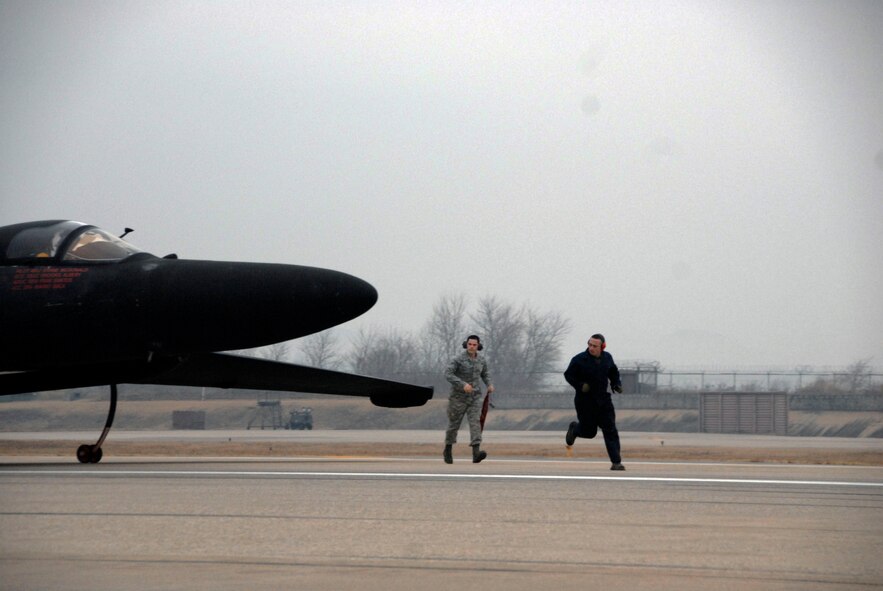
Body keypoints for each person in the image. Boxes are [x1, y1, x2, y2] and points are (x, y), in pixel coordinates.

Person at [563, 333, 625, 470]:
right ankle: (574, 429)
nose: (591, 348)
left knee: (610, 430)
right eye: (589, 345)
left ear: (602, 347)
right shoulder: (579, 359)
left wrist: (616, 384)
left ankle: (616, 462)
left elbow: (613, 372)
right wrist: (580, 386)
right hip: (585, 402)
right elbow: (568, 375)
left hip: (603, 401)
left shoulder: (607, 358)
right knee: (589, 432)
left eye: (595, 346)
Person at [443, 334, 494, 464]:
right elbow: (448, 374)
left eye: (474, 345)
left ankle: (476, 452)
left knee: (475, 423)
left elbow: (485, 373)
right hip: (458, 398)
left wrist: (489, 384)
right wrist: (462, 384)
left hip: (474, 397)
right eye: (469, 344)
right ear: (466, 344)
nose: (471, 347)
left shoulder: (481, 360)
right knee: (454, 425)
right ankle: (448, 449)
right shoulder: (458, 359)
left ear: (478, 346)